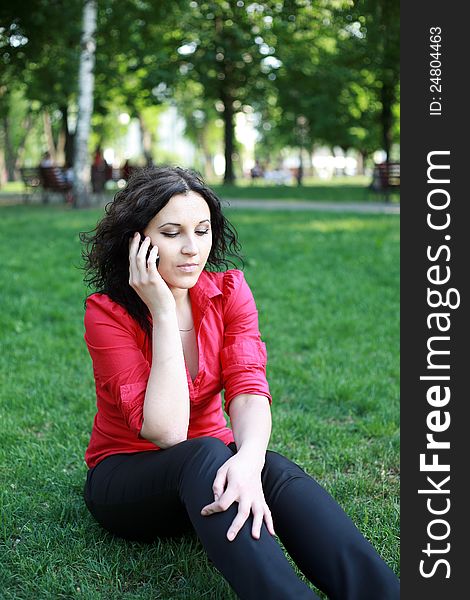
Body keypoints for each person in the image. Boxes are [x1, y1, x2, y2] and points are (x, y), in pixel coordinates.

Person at [80, 166, 400, 599]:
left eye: (202, 230)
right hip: (128, 479)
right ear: (138, 241)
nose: (192, 248)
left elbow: (249, 388)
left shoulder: (228, 292)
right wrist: (163, 310)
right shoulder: (108, 313)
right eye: (172, 232)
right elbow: (167, 431)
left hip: (210, 474)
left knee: (272, 466)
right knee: (207, 452)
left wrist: (248, 461)